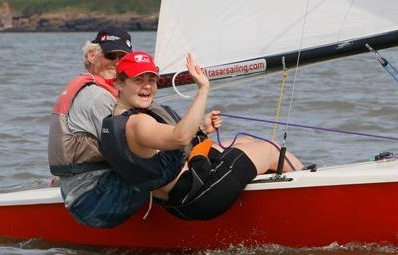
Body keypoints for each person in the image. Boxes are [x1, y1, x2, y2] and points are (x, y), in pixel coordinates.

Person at [100, 51, 303, 220]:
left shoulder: (112, 123)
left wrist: (202, 130)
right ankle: (307, 195)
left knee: (245, 141)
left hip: (179, 201)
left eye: (151, 80)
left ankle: (272, 198)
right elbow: (180, 138)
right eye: (138, 80)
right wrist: (203, 89)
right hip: (203, 195)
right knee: (271, 148)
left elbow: (160, 148)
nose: (147, 86)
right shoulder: (138, 123)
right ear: (119, 84)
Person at [48, 27, 150, 228]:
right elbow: (132, 149)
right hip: (98, 201)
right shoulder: (98, 97)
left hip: (79, 191)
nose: (117, 63)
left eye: (123, 58)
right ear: (92, 56)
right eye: (111, 55)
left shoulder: (97, 91)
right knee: (167, 166)